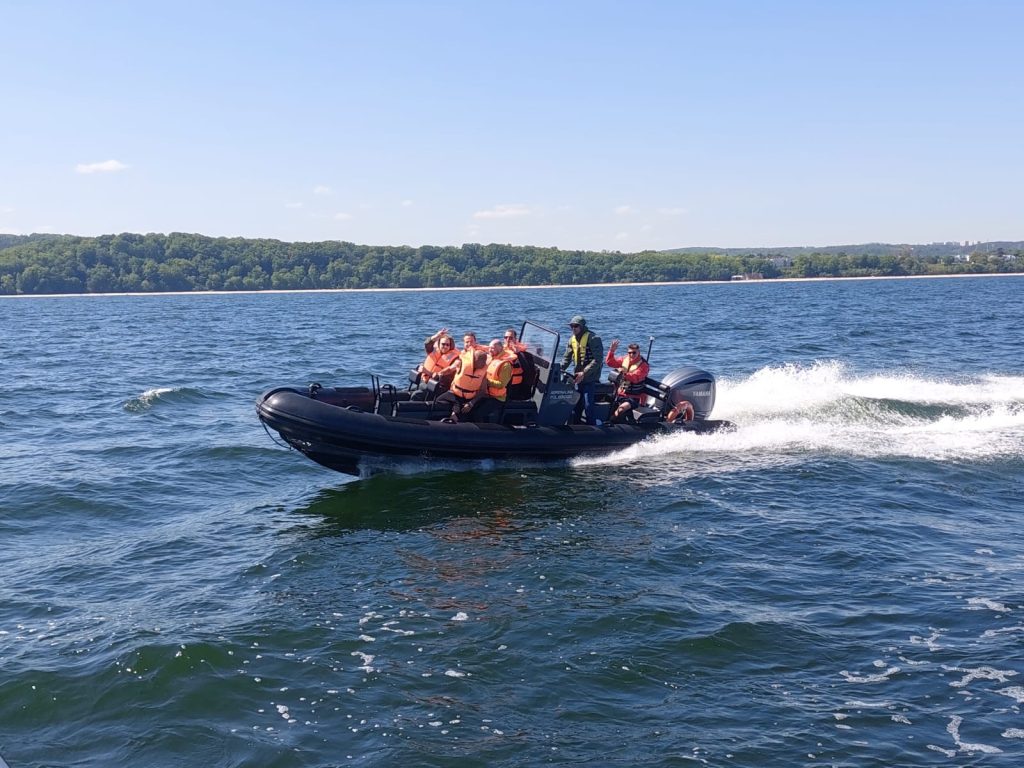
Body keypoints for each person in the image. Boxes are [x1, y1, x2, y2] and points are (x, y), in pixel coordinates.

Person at [561, 314, 603, 425]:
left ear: (582, 327)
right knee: (575, 407)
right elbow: (566, 358)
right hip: (577, 379)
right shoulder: (572, 340)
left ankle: (593, 430)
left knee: (588, 405)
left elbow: (598, 360)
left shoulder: (593, 338)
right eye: (572, 326)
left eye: (576, 326)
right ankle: (576, 428)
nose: (573, 329)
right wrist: (557, 369)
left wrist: (584, 373)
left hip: (590, 378)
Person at [465, 338, 514, 422]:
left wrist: (485, 382)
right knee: (469, 407)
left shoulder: (505, 365)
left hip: (497, 398)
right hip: (484, 393)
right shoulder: (489, 358)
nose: (489, 350)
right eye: (489, 347)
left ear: (500, 349)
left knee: (478, 414)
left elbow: (502, 384)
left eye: (492, 348)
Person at [434, 347, 488, 422]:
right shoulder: (461, 363)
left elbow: (482, 391)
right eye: (482, 361)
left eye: (485, 361)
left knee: (460, 413)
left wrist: (471, 403)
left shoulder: (483, 372)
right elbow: (449, 369)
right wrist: (439, 374)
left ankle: (455, 418)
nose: (484, 363)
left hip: (468, 398)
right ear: (475, 360)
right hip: (454, 393)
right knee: (438, 401)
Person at [605, 339, 651, 423]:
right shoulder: (625, 359)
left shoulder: (644, 365)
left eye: (634, 353)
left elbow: (636, 377)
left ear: (639, 352)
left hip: (634, 397)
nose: (631, 355)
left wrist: (623, 372)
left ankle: (610, 422)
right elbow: (610, 363)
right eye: (629, 352)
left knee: (621, 409)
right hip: (621, 394)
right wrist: (611, 351)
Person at [413, 328, 459, 398]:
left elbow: (443, 377)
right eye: (443, 344)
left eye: (448, 345)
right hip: (425, 381)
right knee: (406, 392)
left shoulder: (455, 359)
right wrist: (437, 335)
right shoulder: (433, 351)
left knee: (416, 395)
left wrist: (426, 372)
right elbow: (427, 343)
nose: (445, 347)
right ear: (439, 344)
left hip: (438, 387)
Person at [500, 328, 533, 400]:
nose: (508, 340)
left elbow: (528, 370)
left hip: (515, 388)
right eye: (506, 337)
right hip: (502, 384)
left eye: (511, 338)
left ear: (515, 339)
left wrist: (518, 354)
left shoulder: (523, 354)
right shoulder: (501, 351)